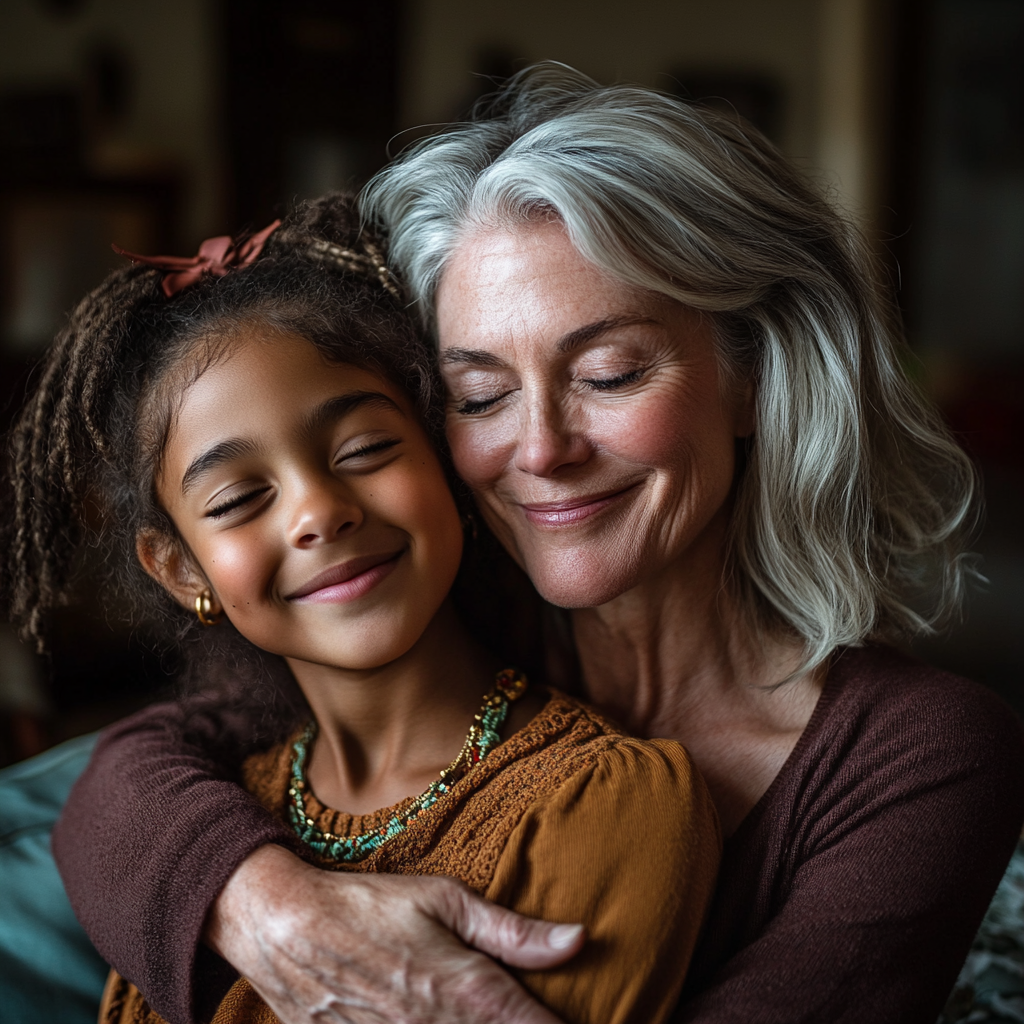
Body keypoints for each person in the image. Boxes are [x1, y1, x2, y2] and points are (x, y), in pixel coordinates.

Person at [52, 65, 1024, 1024]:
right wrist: (273, 910)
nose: (541, 450)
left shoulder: (922, 754)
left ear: (754, 375)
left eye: (607, 373)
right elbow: (115, 789)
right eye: (480, 395)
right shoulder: (438, 617)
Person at [3, 192, 720, 1024]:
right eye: (238, 499)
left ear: (447, 456)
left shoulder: (605, 805)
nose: (317, 512)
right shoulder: (206, 827)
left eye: (367, 449)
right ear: (179, 569)